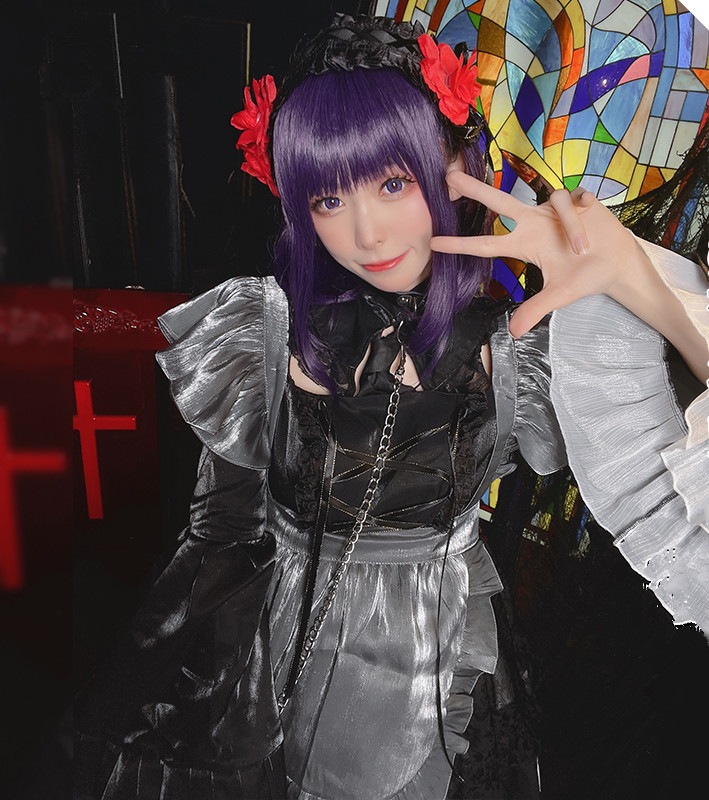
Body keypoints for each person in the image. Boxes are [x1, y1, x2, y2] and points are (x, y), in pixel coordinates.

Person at [74, 13, 709, 800]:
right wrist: (144, 698)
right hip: (281, 663)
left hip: (444, 672)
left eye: (393, 184)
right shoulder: (263, 332)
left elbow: (677, 502)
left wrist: (631, 280)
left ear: (455, 167)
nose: (366, 233)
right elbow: (218, 532)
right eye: (327, 199)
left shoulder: (520, 351)